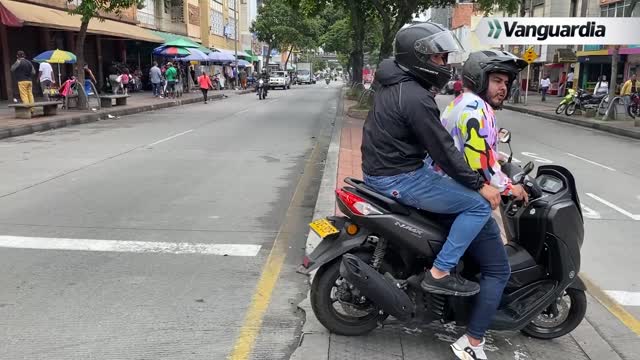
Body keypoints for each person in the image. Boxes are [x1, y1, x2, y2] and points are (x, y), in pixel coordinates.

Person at [361, 23, 511, 360]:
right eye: (439, 57)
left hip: (388, 168)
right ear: (419, 58)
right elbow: (445, 149)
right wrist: (480, 185)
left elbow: (430, 145)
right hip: (399, 177)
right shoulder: (416, 96)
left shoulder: (393, 82)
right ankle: (440, 272)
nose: (443, 64)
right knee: (476, 206)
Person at [435, 51, 529, 359]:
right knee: (498, 269)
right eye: (497, 80)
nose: (503, 87)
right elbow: (480, 164)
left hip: (444, 189)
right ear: (479, 78)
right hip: (462, 197)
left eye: (506, 82)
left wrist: (497, 159)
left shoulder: (460, 103)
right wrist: (510, 187)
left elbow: (471, 149)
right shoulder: (478, 108)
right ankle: (472, 342)